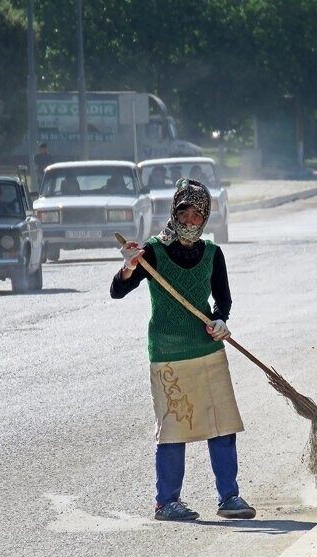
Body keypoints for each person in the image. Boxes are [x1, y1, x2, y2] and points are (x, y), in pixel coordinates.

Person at [110, 178, 256, 522]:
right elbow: (118, 291)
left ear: (205, 219)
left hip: (207, 350)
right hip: (168, 353)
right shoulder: (152, 253)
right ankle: (167, 502)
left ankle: (229, 497)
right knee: (173, 427)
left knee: (222, 425)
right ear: (174, 213)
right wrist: (129, 266)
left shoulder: (211, 253)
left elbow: (223, 300)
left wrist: (221, 321)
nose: (190, 221)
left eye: (197, 215)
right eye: (184, 213)